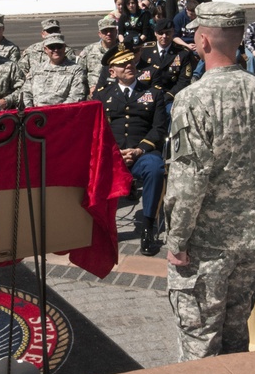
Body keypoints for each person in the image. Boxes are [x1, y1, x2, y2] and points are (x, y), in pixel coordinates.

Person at [164, 2, 255, 361]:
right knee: (236, 336)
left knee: (199, 341)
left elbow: (188, 180)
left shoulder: (194, 98)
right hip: (252, 239)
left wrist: (177, 239)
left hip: (206, 243)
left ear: (203, 41)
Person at [94, 45, 168, 255]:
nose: (128, 65)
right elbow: (98, 129)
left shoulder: (153, 93)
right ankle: (104, 229)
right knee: (94, 170)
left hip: (142, 154)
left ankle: (147, 226)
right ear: (112, 72)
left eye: (130, 62)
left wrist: (139, 150)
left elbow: (158, 128)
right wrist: (115, 151)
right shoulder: (102, 95)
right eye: (122, 64)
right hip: (112, 154)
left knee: (155, 168)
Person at [137, 18, 191, 109]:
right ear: (155, 33)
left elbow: (184, 81)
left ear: (173, 32)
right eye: (161, 33)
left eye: (168, 33)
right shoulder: (145, 51)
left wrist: (168, 96)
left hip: (170, 97)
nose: (164, 36)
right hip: (147, 96)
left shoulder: (182, 53)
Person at [22, 33, 88, 107]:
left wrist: (56, 112)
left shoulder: (76, 70)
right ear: (45, 49)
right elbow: (26, 93)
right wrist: (30, 111)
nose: (56, 50)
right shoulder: (36, 69)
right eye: (52, 47)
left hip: (61, 114)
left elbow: (76, 96)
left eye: (59, 46)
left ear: (64, 48)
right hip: (36, 114)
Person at [77, 17, 120, 97]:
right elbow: (80, 73)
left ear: (116, 31)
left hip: (118, 91)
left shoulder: (123, 50)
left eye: (111, 30)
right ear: (99, 34)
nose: (108, 34)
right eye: (105, 31)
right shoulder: (89, 50)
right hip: (93, 92)